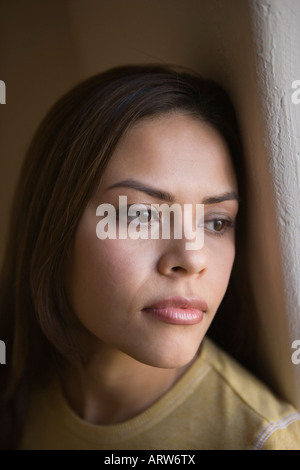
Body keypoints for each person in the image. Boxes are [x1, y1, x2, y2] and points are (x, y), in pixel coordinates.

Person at [0, 65, 299, 450]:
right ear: (54, 226)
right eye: (141, 215)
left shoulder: (259, 441)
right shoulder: (20, 399)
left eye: (217, 222)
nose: (192, 257)